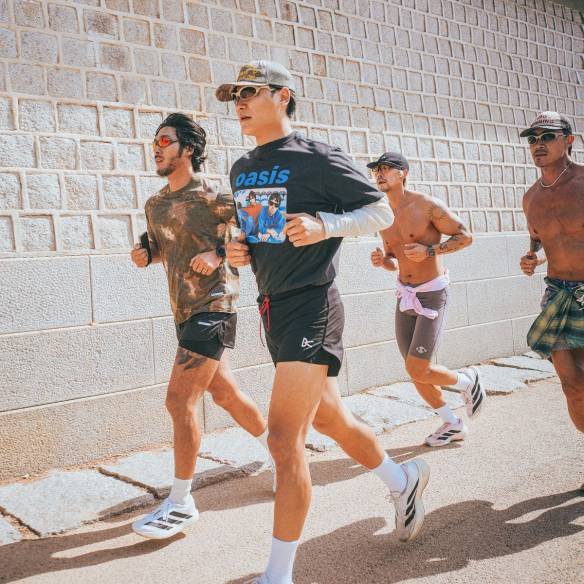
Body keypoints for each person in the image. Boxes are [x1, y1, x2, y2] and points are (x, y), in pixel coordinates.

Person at [216, 60, 430, 584]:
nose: (240, 103)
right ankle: (402, 479)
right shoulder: (242, 167)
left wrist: (324, 224)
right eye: (235, 95)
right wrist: (238, 249)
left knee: (283, 438)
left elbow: (379, 211)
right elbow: (257, 233)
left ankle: (278, 575)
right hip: (272, 306)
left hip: (313, 303)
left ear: (282, 96)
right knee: (330, 419)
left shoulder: (317, 156)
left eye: (250, 92)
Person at [130, 113, 270, 539]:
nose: (156, 148)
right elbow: (160, 248)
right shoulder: (155, 204)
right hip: (184, 311)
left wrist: (219, 253)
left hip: (215, 305)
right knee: (225, 394)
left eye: (164, 141)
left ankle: (181, 501)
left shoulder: (213, 195)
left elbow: (262, 223)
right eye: (154, 142)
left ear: (188, 148)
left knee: (179, 401)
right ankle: (283, 454)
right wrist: (145, 255)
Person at [368, 152, 485, 447]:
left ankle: (467, 381)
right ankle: (452, 423)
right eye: (376, 170)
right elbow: (395, 260)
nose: (380, 173)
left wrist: (431, 251)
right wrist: (383, 261)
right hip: (405, 295)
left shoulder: (426, 205)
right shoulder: (382, 213)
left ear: (403, 173)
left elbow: (465, 236)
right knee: (414, 369)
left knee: (418, 367)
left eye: (386, 168)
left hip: (432, 293)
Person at [519, 111, 584, 435]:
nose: (538, 144)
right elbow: (539, 240)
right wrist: (533, 258)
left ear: (568, 140)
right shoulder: (531, 198)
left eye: (547, 136)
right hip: (558, 294)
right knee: (572, 386)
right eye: (533, 139)